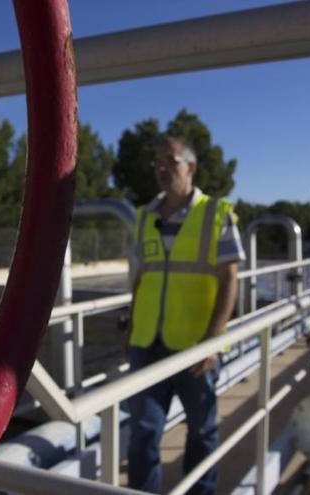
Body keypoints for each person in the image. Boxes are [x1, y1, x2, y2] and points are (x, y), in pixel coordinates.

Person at [126, 136, 244, 495]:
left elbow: (229, 278)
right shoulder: (145, 215)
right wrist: (130, 329)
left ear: (189, 167)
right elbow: (141, 279)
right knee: (143, 431)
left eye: (170, 161)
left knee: (202, 430)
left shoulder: (216, 213)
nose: (162, 169)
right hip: (147, 342)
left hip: (196, 345)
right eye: (157, 162)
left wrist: (214, 339)